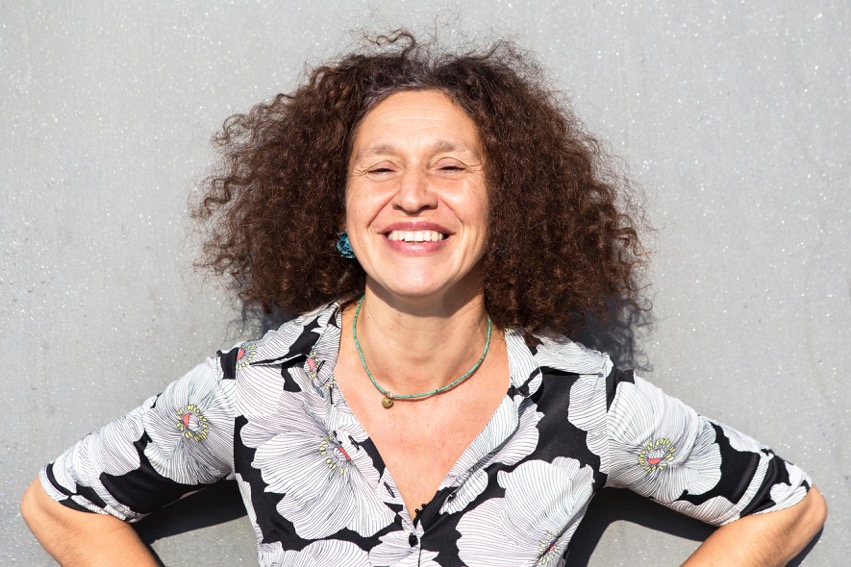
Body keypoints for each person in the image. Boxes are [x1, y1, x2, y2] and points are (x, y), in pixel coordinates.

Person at [21, 31, 826, 566]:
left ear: (502, 205)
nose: (412, 195)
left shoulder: (581, 399)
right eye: (380, 168)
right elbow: (60, 504)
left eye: (450, 167)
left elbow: (783, 506)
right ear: (336, 211)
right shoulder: (256, 386)